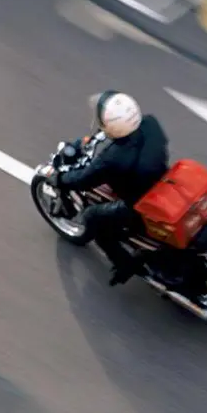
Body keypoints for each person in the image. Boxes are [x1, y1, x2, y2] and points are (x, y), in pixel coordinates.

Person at [46, 90, 170, 286]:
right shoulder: (150, 123)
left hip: (136, 204)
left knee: (92, 219)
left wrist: (60, 179)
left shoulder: (113, 158)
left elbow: (84, 180)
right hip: (162, 183)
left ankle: (124, 263)